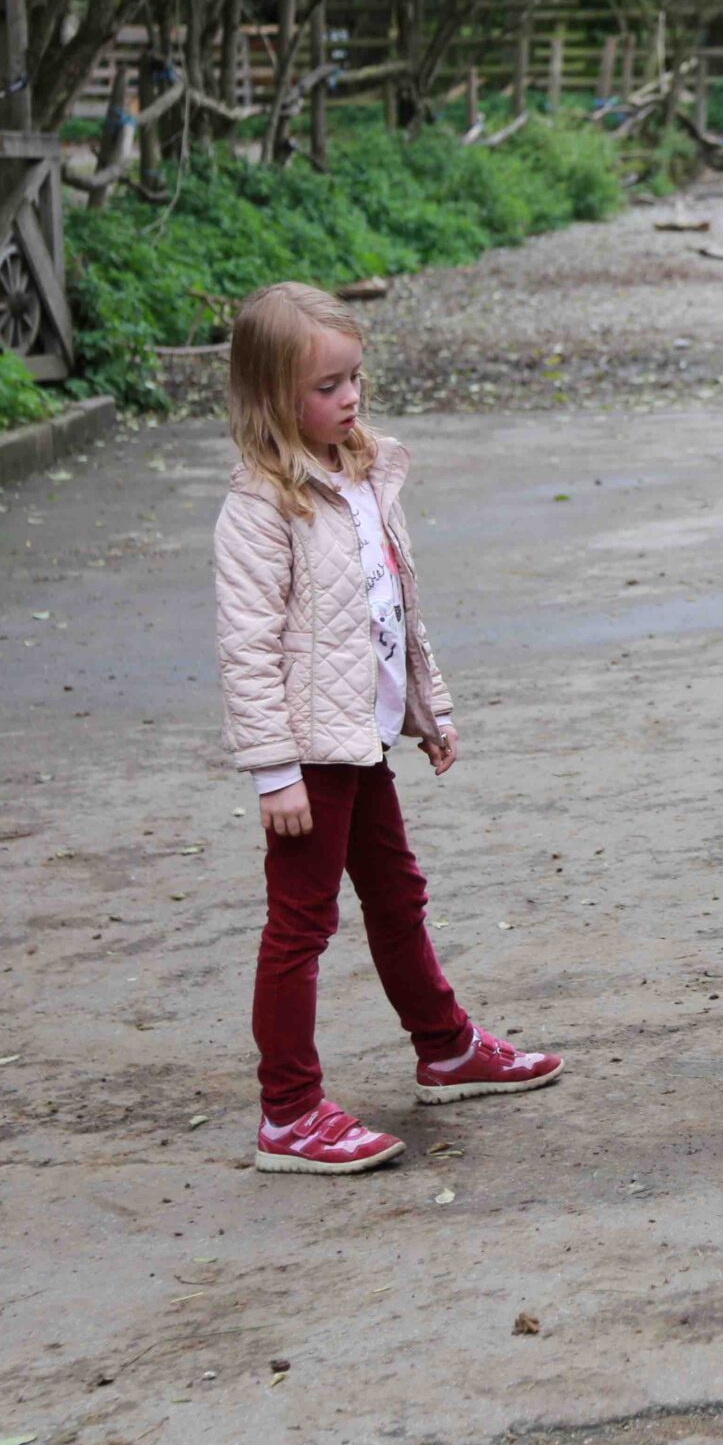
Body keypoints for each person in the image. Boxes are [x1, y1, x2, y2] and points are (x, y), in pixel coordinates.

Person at [214, 281, 561, 1175]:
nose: (350, 397)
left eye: (354, 377)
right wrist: (273, 772)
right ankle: (288, 1112)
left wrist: (427, 709)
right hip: (308, 755)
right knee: (300, 924)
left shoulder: (363, 473)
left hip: (362, 738)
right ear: (271, 397)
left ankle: (444, 1046)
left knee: (397, 894)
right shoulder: (261, 507)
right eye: (327, 387)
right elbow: (247, 648)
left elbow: (392, 609)